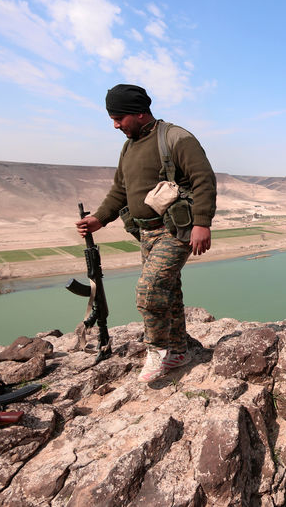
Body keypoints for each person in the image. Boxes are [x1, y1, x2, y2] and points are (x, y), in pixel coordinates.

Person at [76, 84, 217, 383]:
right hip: (144, 233)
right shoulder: (128, 146)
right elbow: (120, 190)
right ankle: (179, 351)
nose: (115, 124)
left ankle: (157, 350)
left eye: (119, 118)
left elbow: (203, 180)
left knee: (149, 292)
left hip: (175, 231)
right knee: (169, 292)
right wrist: (99, 219)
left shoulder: (177, 138)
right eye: (111, 118)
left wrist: (202, 223)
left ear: (139, 112)